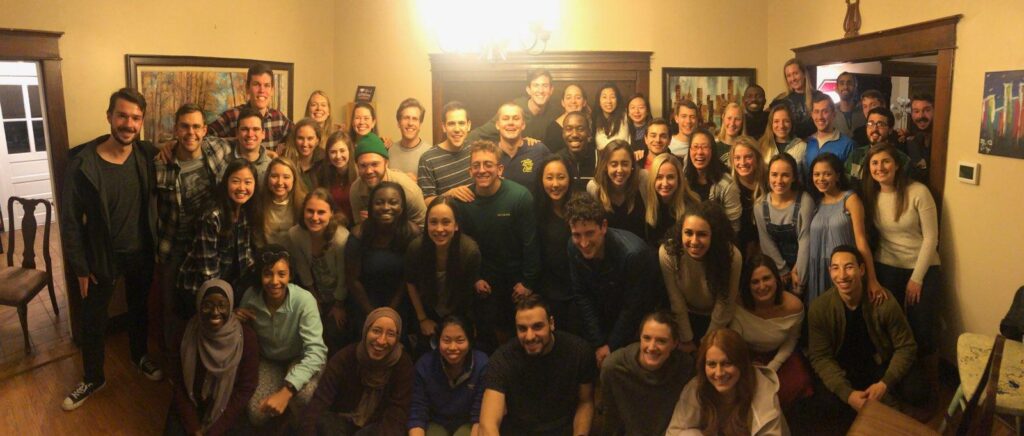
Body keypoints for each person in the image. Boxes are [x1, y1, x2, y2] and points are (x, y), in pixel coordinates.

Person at [60, 88, 163, 411]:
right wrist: (79, 266)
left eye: (135, 118)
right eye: (122, 116)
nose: (128, 124)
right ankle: (93, 377)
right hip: (100, 258)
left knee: (138, 309)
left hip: (141, 251)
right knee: (93, 320)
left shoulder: (147, 154)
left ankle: (139, 356)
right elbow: (70, 222)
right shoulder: (83, 165)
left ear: (141, 122)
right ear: (109, 116)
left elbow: (184, 147)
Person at [805, 246, 924, 430]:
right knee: (827, 405)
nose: (842, 275)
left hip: (879, 362)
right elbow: (820, 357)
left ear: (861, 270)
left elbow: (907, 346)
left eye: (849, 267)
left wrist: (885, 383)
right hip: (844, 367)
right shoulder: (820, 308)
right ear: (830, 272)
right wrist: (848, 394)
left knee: (917, 392)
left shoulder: (883, 301)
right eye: (835, 268)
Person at [155, 103, 233, 349]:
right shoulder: (160, 164)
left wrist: (275, 151)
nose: (191, 133)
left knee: (211, 301)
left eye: (196, 126)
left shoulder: (218, 149)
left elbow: (246, 140)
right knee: (173, 306)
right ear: (175, 129)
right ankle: (175, 359)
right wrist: (163, 146)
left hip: (209, 244)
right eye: (185, 126)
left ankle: (205, 354)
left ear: (205, 129)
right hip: (174, 246)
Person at [453, 141, 540, 351]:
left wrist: (527, 282)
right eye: (476, 165)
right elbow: (461, 246)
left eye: (488, 164)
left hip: (517, 281)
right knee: (488, 341)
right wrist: (475, 278)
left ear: (500, 169)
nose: (482, 170)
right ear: (470, 170)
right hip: (484, 282)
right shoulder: (463, 200)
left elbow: (531, 243)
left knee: (521, 340)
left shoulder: (520, 196)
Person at [862, 144, 941, 368]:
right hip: (886, 265)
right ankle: (895, 375)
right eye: (874, 163)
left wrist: (916, 279)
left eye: (885, 161)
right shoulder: (870, 195)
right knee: (887, 324)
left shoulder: (918, 192)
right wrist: (872, 278)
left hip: (922, 266)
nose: (880, 167)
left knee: (922, 327)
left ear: (897, 164)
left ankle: (925, 381)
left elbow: (931, 238)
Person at [236, 245, 328, 428]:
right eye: (268, 274)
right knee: (257, 413)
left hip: (301, 358)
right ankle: (283, 421)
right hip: (270, 360)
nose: (275, 281)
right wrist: (235, 317)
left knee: (303, 397)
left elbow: (316, 352)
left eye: (281, 274)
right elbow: (241, 333)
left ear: (290, 275)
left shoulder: (304, 300)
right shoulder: (251, 297)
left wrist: (286, 391)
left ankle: (300, 427)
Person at [478, 295, 596, 436]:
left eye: (537, 326)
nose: (529, 336)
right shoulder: (502, 359)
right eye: (522, 329)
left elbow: (585, 402)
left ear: (551, 323)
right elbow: (488, 423)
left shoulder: (578, 352)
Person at [565, 194, 658, 367]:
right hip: (601, 312)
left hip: (632, 319)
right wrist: (599, 342)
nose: (583, 243)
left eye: (589, 233)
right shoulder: (572, 246)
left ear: (604, 227)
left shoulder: (633, 255)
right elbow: (581, 294)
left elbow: (633, 307)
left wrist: (611, 345)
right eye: (577, 235)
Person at [165, 279, 259, 436]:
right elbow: (178, 383)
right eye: (207, 305)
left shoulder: (246, 339)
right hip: (192, 405)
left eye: (222, 305)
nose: (215, 312)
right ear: (198, 305)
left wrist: (214, 431)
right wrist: (194, 428)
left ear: (231, 307)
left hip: (227, 408)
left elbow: (246, 388)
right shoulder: (185, 334)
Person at [300, 307, 414, 435]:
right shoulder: (345, 358)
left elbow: (397, 412)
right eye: (376, 331)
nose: (382, 341)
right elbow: (320, 402)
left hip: (378, 427)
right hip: (343, 421)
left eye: (391, 334)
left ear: (398, 338)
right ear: (366, 331)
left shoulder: (403, 364)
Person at [666, 328, 789, 436]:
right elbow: (675, 432)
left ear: (741, 363)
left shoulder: (762, 390)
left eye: (727, 363)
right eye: (712, 364)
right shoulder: (696, 388)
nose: (719, 373)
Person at [729, 255, 813, 409]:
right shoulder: (737, 303)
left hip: (779, 355)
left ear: (777, 279)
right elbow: (734, 341)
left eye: (766, 278)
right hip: (745, 355)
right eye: (755, 282)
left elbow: (791, 340)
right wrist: (747, 365)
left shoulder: (794, 306)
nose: (762, 286)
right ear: (747, 285)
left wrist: (773, 366)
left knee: (797, 383)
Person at [177, 159, 259, 312]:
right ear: (226, 182)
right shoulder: (212, 216)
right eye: (236, 181)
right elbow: (208, 273)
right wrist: (228, 307)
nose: (242, 187)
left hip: (227, 284)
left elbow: (246, 255)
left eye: (248, 182)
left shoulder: (245, 211)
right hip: (200, 289)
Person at [660, 202, 742, 353]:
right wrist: (686, 339)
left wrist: (707, 342)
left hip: (719, 318)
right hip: (685, 316)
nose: (694, 241)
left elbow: (725, 302)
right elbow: (675, 300)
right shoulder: (669, 252)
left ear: (714, 235)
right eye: (688, 233)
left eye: (702, 234)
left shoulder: (732, 256)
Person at [599, 311, 694, 436]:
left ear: (674, 344)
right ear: (640, 338)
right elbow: (610, 416)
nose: (652, 347)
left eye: (661, 341)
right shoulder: (614, 367)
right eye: (647, 338)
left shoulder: (685, 367)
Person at [345, 182, 421, 338]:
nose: (386, 207)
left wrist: (391, 310)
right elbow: (352, 280)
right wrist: (373, 314)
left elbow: (409, 277)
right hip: (365, 298)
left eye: (393, 202)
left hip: (402, 297)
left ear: (402, 206)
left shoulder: (412, 233)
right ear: (371, 207)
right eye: (379, 203)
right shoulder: (359, 235)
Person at [807, 153, 883, 305]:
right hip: (818, 269)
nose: (821, 179)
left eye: (827, 174)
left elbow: (861, 241)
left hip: (844, 272)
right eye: (816, 174)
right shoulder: (816, 203)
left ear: (837, 176)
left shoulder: (850, 199)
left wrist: (872, 279)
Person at [285, 188, 352, 354]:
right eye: (310, 211)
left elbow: (344, 276)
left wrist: (338, 305)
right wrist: (313, 296)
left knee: (335, 330)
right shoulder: (296, 234)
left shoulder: (341, 238)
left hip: (341, 295)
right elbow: (302, 268)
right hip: (314, 291)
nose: (314, 217)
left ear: (331, 214)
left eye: (321, 212)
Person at [405, 197, 482, 338]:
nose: (439, 229)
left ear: (456, 225)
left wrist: (465, 324)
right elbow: (411, 283)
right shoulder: (416, 248)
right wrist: (423, 319)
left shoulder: (469, 251)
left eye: (446, 222)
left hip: (458, 311)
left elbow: (467, 296)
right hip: (426, 310)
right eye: (433, 222)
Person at [407, 316, 489, 436]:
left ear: (470, 341)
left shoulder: (482, 364)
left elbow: (479, 415)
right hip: (435, 422)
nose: (452, 347)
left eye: (460, 340)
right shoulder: (425, 365)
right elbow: (417, 412)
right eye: (446, 340)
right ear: (438, 341)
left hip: (468, 423)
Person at [754, 153, 813, 293]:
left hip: (803, 265)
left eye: (785, 175)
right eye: (774, 174)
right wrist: (782, 271)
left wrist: (799, 275)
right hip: (776, 269)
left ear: (793, 177)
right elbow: (766, 242)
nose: (779, 180)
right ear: (768, 176)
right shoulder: (760, 205)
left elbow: (806, 241)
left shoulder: (805, 201)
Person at [533, 156, 579, 333]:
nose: (555, 184)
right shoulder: (535, 211)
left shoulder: (580, 207)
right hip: (549, 293)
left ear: (570, 178)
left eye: (561, 177)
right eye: (549, 177)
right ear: (541, 180)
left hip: (578, 290)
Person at [209, 63, 292, 150]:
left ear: (272, 90)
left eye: (267, 85)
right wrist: (236, 143)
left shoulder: (279, 118)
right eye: (256, 84)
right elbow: (203, 139)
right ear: (247, 88)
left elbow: (301, 136)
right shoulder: (232, 116)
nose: (262, 90)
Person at [349, 132, 427, 226]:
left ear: (386, 163)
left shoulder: (408, 189)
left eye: (374, 164)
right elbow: (358, 226)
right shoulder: (355, 190)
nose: (369, 171)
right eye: (363, 165)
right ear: (357, 166)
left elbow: (423, 226)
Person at [468, 69, 558, 143]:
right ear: (528, 90)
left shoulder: (555, 114)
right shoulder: (513, 109)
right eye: (536, 85)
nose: (541, 90)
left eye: (545, 86)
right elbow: (479, 134)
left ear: (551, 90)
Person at [683, 129, 743, 232]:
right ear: (689, 150)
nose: (699, 152)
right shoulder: (684, 179)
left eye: (705, 147)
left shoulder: (726, 184)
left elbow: (734, 227)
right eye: (695, 147)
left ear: (713, 151)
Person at [418, 101, 475, 205]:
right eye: (451, 124)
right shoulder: (428, 159)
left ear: (468, 125)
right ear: (444, 127)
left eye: (461, 123)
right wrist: (450, 194)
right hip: (447, 219)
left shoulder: (475, 150)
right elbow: (426, 202)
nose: (457, 129)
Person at [643, 153, 699, 246]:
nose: (665, 183)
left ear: (679, 179)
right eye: (659, 177)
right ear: (652, 179)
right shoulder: (645, 201)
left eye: (670, 177)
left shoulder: (691, 206)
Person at [494, 102, 551, 192]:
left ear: (523, 124)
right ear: (497, 124)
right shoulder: (489, 154)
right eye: (505, 118)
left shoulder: (539, 150)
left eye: (516, 118)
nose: (511, 122)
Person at [845, 107, 910, 184]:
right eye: (870, 124)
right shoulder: (856, 155)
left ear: (890, 130)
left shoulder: (902, 159)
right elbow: (845, 185)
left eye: (880, 124)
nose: (874, 129)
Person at [257, 157, 307, 246]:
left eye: (286, 177)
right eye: (274, 176)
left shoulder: (304, 203)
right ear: (267, 178)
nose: (280, 182)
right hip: (267, 255)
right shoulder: (258, 202)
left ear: (294, 179)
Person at [730, 138, 767, 258]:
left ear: (757, 158)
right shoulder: (730, 188)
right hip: (739, 250)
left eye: (748, 157)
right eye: (737, 158)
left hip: (767, 247)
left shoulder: (769, 182)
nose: (742, 162)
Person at [804, 92, 856, 175]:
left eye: (825, 112)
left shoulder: (848, 145)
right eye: (816, 112)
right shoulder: (807, 143)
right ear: (812, 115)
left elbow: (853, 178)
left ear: (834, 114)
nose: (820, 117)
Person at [314, 131, 357, 226]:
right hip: (330, 225)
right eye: (333, 152)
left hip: (355, 226)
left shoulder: (359, 175)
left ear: (350, 151)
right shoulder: (322, 174)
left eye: (342, 151)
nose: (338, 156)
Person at [769, 58, 815, 140]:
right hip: (789, 147)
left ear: (804, 74)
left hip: (814, 145)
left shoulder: (818, 97)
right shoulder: (780, 100)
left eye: (796, 73)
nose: (793, 79)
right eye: (789, 75)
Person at [230, 107, 274, 188]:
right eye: (244, 129)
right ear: (237, 133)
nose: (250, 134)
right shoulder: (223, 161)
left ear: (263, 134)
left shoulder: (271, 167)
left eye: (256, 129)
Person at [543, 84, 590, 154]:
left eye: (578, 97)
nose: (573, 101)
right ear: (563, 102)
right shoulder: (553, 129)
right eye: (568, 97)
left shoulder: (590, 122)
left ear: (584, 102)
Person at [556, 110, 597, 191]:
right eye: (569, 129)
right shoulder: (556, 160)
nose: (574, 134)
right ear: (563, 133)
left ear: (589, 132)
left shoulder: (599, 158)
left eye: (580, 129)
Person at [390, 98, 430, 178]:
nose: (410, 123)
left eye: (415, 119)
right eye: (406, 118)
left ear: (420, 124)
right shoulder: (389, 151)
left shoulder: (430, 153)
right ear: (398, 123)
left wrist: (418, 183)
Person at [282, 118, 325, 188]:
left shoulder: (325, 162)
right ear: (294, 139)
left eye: (310, 138)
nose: (305, 144)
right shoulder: (285, 161)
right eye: (300, 138)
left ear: (317, 140)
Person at [905, 93, 935, 183]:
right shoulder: (910, 141)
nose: (921, 116)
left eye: (926, 110)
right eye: (916, 111)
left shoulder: (942, 139)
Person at [832, 72, 864, 137]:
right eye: (842, 83)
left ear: (855, 87)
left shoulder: (864, 110)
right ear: (836, 88)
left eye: (849, 83)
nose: (845, 87)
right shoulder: (830, 112)